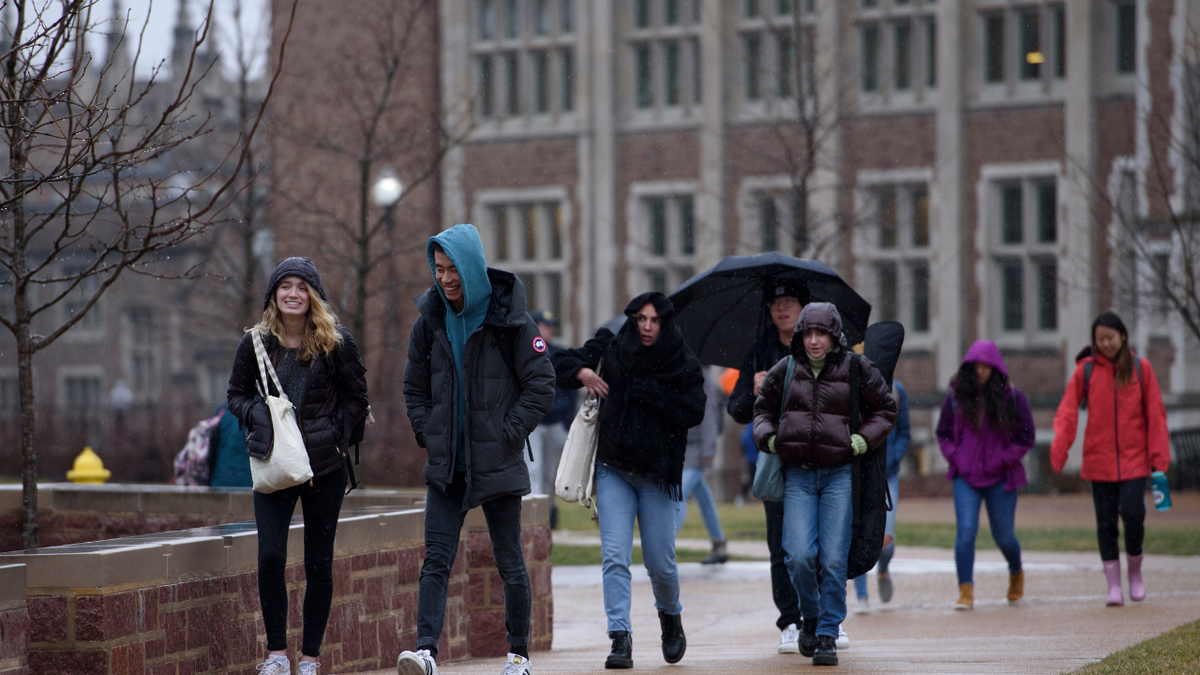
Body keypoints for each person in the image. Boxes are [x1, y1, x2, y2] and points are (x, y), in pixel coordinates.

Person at [398, 225, 555, 675]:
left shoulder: (511, 321)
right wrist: (430, 432)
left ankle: (518, 655)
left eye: (453, 270)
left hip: (497, 461)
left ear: (471, 267)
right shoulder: (429, 321)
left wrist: (508, 433)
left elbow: (542, 384)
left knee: (510, 561)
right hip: (449, 465)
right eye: (439, 269)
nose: (445, 279)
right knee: (436, 561)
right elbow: (413, 387)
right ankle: (426, 651)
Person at [227, 257, 370, 675]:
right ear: (273, 294)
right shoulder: (255, 342)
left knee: (318, 563)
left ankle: (309, 658)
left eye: (301, 286)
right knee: (270, 556)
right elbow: (235, 393)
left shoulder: (335, 341)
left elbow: (358, 398)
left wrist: (335, 436)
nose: (293, 294)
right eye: (285, 286)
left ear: (313, 295)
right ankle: (275, 656)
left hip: (325, 468)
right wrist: (256, 414)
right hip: (274, 464)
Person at [552, 292, 706, 670]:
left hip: (657, 475)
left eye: (654, 320)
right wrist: (583, 372)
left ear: (665, 323)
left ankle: (670, 616)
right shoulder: (611, 344)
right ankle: (620, 637)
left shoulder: (681, 359)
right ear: (633, 319)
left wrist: (650, 394)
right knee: (615, 558)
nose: (647, 326)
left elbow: (695, 409)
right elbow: (558, 361)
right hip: (613, 469)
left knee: (660, 563)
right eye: (641, 319)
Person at [753, 303, 895, 667]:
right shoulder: (785, 370)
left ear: (835, 336)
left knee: (833, 558)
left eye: (821, 333)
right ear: (800, 335)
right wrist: (769, 439)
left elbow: (886, 409)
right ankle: (811, 615)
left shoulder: (856, 368)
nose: (814, 341)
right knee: (798, 556)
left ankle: (828, 631)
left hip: (838, 476)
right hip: (798, 475)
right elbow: (762, 411)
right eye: (808, 333)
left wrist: (861, 440)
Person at [1049, 311, 1170, 606]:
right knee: (1105, 524)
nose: (1104, 343)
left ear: (1123, 336)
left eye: (1110, 338)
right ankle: (1113, 586)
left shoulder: (1142, 369)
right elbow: (1067, 412)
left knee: (1132, 514)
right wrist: (1059, 449)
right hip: (1099, 461)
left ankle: (1136, 572)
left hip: (1134, 460)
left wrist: (1159, 461)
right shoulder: (1086, 371)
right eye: (1099, 339)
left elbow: (1155, 415)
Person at [726, 286, 806, 654]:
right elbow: (737, 409)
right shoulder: (759, 351)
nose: (782, 308)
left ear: (805, 307)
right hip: (775, 461)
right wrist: (757, 391)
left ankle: (824, 618)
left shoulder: (820, 346)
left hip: (816, 458)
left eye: (789, 301)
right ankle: (789, 620)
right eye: (775, 303)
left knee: (818, 546)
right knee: (781, 546)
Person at [936, 340, 1035, 611]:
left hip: (1002, 477)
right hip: (965, 476)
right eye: (975, 365)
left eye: (985, 366)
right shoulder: (956, 396)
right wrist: (956, 456)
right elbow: (943, 433)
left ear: (995, 368)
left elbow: (1027, 436)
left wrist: (1004, 458)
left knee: (1003, 535)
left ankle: (1016, 571)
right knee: (966, 531)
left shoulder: (1012, 397)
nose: (980, 371)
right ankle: (965, 589)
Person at [851, 379, 910, 612]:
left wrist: (892, 458)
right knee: (858, 534)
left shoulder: (897, 388)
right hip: (861, 473)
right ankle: (862, 597)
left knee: (885, 541)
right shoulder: (852, 382)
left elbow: (904, 431)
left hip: (888, 474)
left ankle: (883, 569)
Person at [527, 309, 576, 529]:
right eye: (545, 325)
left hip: (556, 421)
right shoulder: (525, 351)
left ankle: (546, 515)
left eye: (550, 325)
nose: (549, 329)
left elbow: (571, 390)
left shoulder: (559, 353)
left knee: (549, 474)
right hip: (534, 423)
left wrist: (568, 423)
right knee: (533, 470)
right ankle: (534, 519)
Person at [676, 368, 728, 565]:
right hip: (680, 448)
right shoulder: (673, 370)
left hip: (697, 450)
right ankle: (719, 543)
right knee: (703, 497)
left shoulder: (702, 377)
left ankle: (664, 547)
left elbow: (709, 415)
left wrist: (708, 449)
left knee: (677, 494)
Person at [207, 402, 252, 488]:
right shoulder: (263, 409)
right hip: (252, 484)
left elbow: (211, 450)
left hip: (221, 482)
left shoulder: (222, 411)